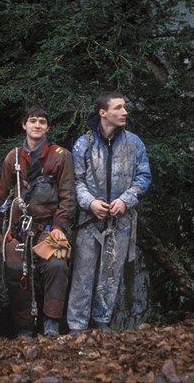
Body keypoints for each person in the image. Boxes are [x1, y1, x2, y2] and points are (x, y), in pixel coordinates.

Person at [66, 91, 152, 333]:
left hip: (121, 221)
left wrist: (126, 200)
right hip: (89, 220)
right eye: (118, 108)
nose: (124, 112)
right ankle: (76, 327)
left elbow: (144, 177)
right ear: (103, 112)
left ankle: (102, 322)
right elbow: (76, 179)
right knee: (82, 275)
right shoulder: (84, 143)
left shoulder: (134, 143)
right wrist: (90, 202)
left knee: (111, 274)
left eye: (124, 107)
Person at [0, 105, 76, 338]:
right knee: (12, 266)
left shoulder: (61, 156)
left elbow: (67, 196)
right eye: (32, 121)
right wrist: (0, 230)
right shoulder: (13, 157)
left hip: (48, 227)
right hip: (20, 227)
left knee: (58, 263)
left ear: (48, 127)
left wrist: (59, 227)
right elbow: (2, 195)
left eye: (42, 121)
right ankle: (24, 327)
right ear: (24, 125)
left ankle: (51, 322)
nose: (37, 125)